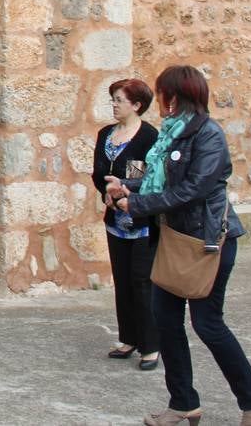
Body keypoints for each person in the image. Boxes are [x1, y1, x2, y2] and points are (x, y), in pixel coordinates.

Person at [107, 65, 251, 426]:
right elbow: (155, 181)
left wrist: (136, 204)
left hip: (206, 243)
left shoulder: (208, 135)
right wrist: (124, 186)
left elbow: (191, 190)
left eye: (164, 93)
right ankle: (183, 402)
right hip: (174, 241)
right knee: (165, 320)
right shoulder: (170, 136)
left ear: (178, 96)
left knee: (208, 323)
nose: (161, 101)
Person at [91, 77, 160, 369]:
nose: (115, 105)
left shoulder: (147, 137)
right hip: (115, 219)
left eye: (120, 100)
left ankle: (151, 345)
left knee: (141, 281)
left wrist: (123, 192)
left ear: (137, 105)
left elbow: (143, 177)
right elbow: (97, 171)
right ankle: (128, 337)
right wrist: (106, 192)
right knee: (122, 279)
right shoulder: (106, 133)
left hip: (140, 220)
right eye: (114, 100)